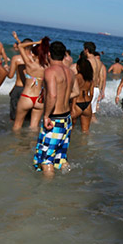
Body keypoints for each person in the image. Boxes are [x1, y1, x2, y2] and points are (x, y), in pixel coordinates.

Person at [33, 41, 76, 177]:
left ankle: (46, 194)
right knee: (60, 158)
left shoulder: (50, 71)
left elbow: (52, 95)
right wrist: (63, 95)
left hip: (55, 119)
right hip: (66, 119)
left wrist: (46, 116)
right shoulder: (70, 72)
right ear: (64, 55)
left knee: (46, 160)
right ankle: (68, 183)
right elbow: (76, 92)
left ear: (49, 54)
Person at [11, 33, 50, 131]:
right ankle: (33, 145)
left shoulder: (29, 64)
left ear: (33, 54)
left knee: (17, 125)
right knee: (34, 128)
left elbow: (20, 46)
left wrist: (37, 42)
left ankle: (17, 146)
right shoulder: (47, 67)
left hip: (27, 96)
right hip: (39, 99)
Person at [71, 54, 95, 133]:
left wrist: (73, 107)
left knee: (70, 131)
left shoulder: (76, 77)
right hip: (87, 104)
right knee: (85, 132)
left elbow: (75, 93)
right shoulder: (90, 79)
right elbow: (91, 94)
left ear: (78, 67)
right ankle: (84, 145)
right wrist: (89, 102)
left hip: (77, 103)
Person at [7, 36, 28, 122]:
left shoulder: (16, 58)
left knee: (14, 117)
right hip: (29, 90)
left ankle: (14, 134)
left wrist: (7, 69)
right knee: (26, 116)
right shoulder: (35, 59)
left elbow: (10, 75)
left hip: (18, 88)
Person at [83, 42, 103, 120]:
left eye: (84, 49)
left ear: (87, 50)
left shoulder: (87, 61)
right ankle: (96, 128)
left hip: (89, 90)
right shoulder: (98, 62)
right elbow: (101, 78)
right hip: (96, 89)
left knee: (85, 114)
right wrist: (100, 91)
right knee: (92, 114)